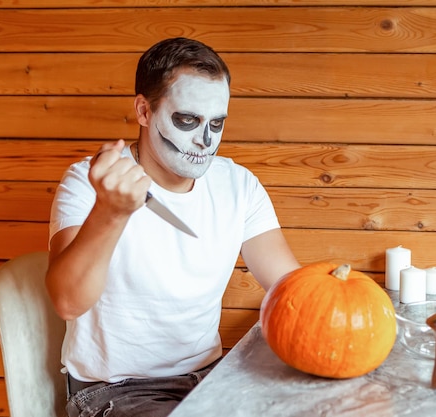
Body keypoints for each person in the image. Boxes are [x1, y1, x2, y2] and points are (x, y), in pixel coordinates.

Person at [45, 37, 300, 417]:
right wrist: (111, 212)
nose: (206, 141)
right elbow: (67, 302)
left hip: (212, 378)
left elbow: (291, 288)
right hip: (116, 390)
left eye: (217, 123)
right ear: (144, 111)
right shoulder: (90, 183)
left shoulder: (238, 185)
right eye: (187, 120)